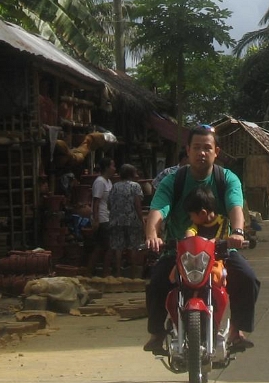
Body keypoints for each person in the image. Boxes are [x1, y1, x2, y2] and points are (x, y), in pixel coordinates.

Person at [142, 125, 259, 354]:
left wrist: (237, 232)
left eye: (207, 148)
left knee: (247, 278)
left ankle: (236, 331)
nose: (201, 152)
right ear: (188, 150)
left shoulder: (227, 179)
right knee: (156, 282)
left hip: (220, 251)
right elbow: (158, 210)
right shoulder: (173, 181)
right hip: (178, 250)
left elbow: (235, 206)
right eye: (196, 147)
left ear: (217, 151)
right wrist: (152, 235)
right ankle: (157, 334)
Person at [106, 163, 144, 278]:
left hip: (116, 220)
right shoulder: (135, 186)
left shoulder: (115, 186)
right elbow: (137, 204)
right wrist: (142, 219)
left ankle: (118, 274)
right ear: (131, 174)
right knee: (133, 247)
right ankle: (133, 275)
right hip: (132, 220)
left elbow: (109, 204)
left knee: (118, 247)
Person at [90, 158, 114, 276]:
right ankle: (104, 273)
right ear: (107, 168)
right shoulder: (100, 182)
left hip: (108, 216)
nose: (114, 169)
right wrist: (96, 219)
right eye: (112, 166)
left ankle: (91, 271)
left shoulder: (108, 182)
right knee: (108, 246)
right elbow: (96, 202)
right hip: (102, 217)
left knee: (101, 246)